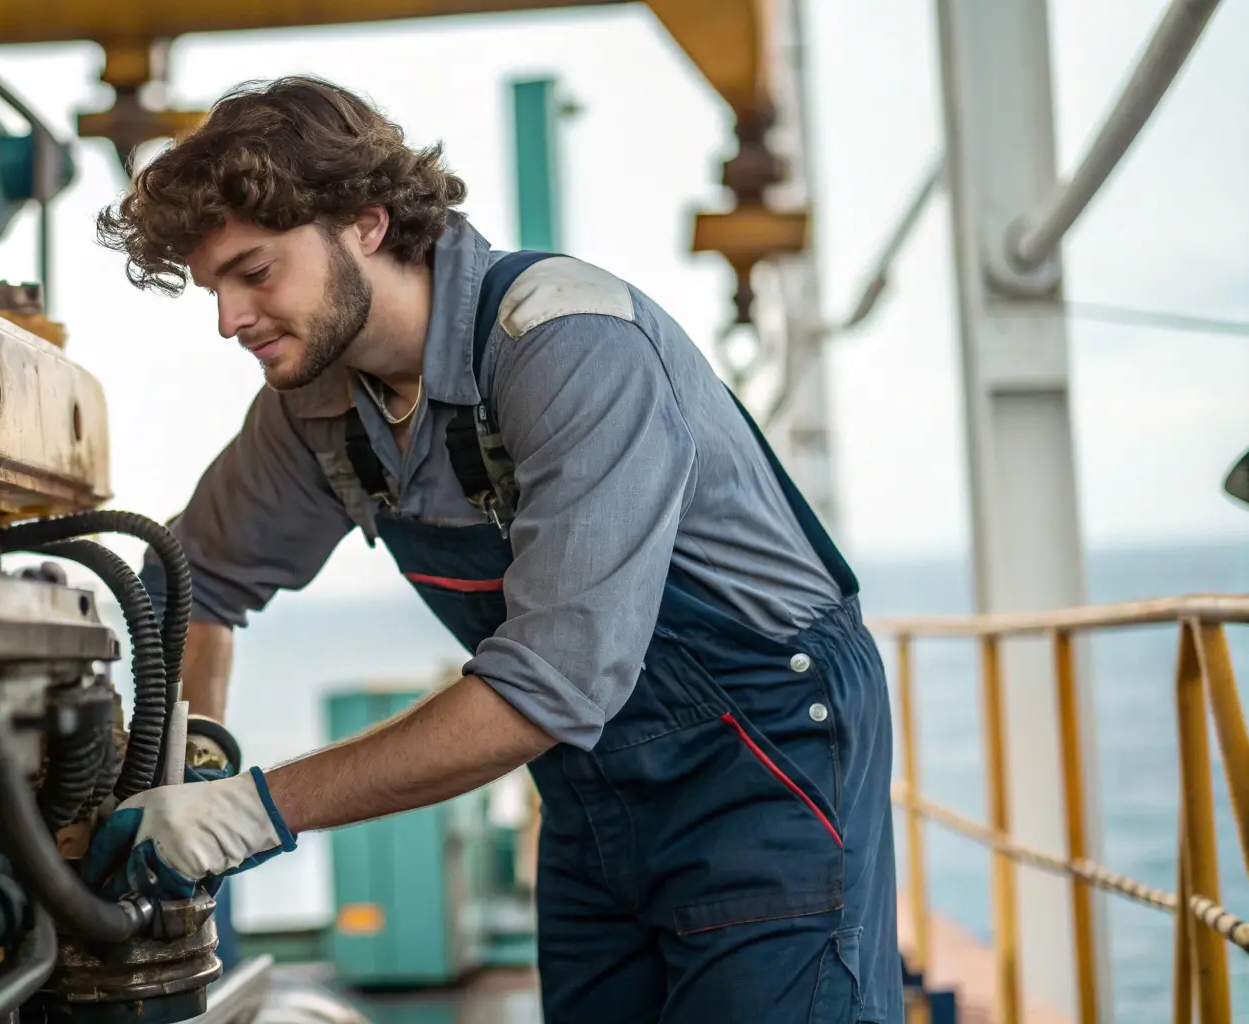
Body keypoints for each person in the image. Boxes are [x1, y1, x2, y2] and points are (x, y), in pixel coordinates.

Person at [82, 75, 901, 1023]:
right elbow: (195, 582)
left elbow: (553, 681)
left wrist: (249, 815)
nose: (230, 319)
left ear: (367, 224)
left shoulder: (569, 344)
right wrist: (189, 777)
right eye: (213, 287)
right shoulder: (313, 406)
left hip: (764, 769)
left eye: (255, 273)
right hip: (593, 794)